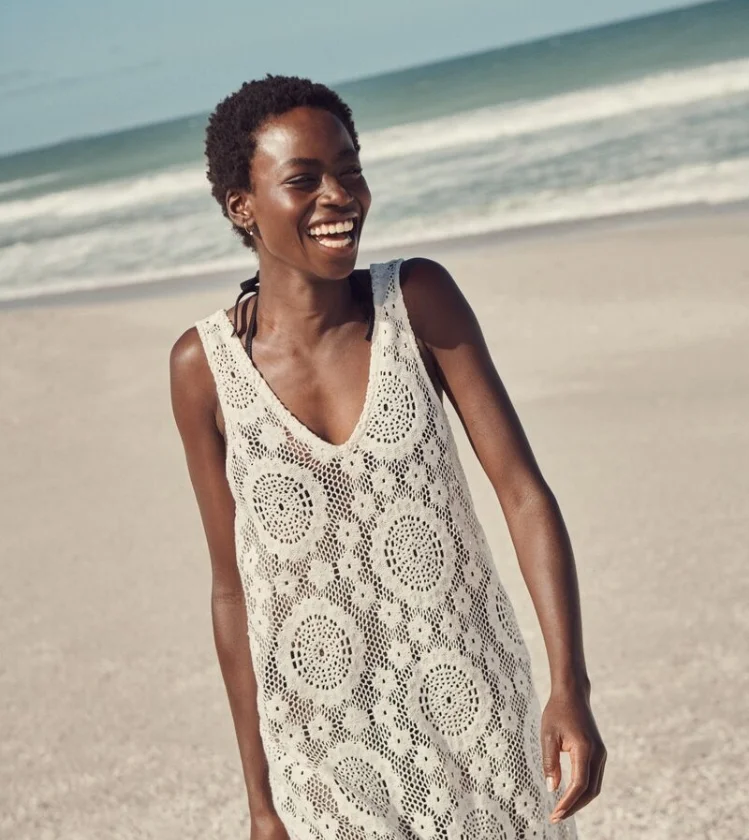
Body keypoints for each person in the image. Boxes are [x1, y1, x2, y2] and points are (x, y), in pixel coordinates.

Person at [169, 74, 605, 840]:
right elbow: (232, 591)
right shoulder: (203, 370)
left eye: (350, 171)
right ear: (242, 205)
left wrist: (569, 685)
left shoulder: (418, 301)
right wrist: (261, 801)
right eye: (303, 179)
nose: (339, 196)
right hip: (325, 747)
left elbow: (522, 493)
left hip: (473, 706)